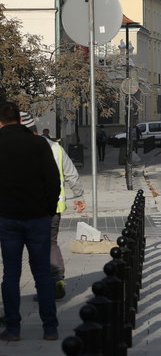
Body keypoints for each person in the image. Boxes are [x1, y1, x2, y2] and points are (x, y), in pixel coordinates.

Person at [0, 104, 61, 342]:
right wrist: (48, 208)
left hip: (7, 218)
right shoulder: (38, 144)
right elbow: (53, 180)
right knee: (43, 274)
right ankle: (50, 328)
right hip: (37, 217)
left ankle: (13, 328)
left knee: (11, 274)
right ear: (19, 120)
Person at [26, 119, 85, 301]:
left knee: (35, 249)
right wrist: (79, 196)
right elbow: (71, 174)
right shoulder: (56, 148)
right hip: (55, 207)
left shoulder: (23, 149)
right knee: (51, 244)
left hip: (31, 208)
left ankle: (44, 287)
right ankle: (57, 280)